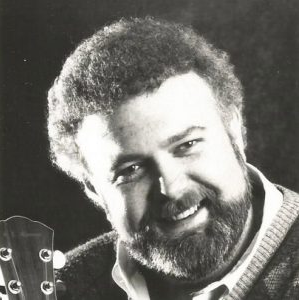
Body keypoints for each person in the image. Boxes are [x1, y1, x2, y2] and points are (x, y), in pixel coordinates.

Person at [47, 17, 299, 300]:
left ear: (234, 131)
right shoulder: (62, 287)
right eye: (131, 170)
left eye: (187, 144)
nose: (172, 188)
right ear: (94, 190)